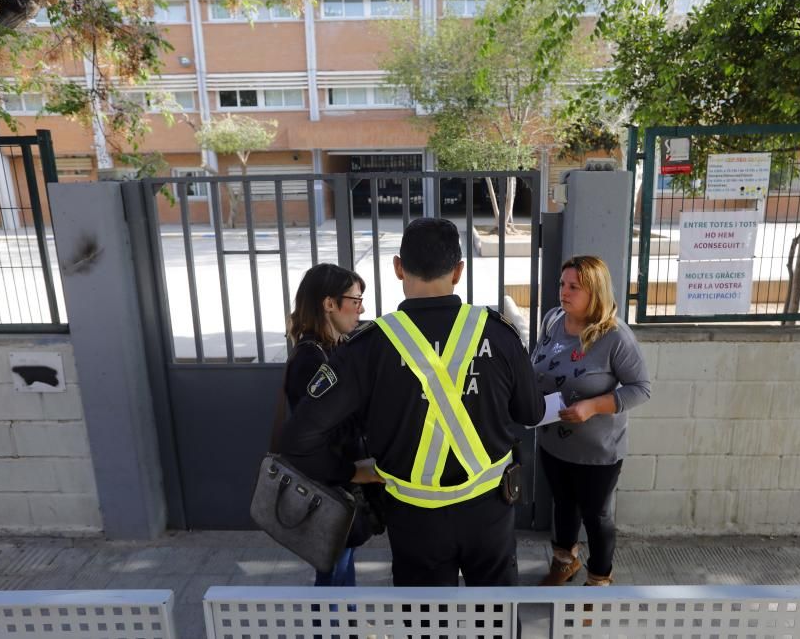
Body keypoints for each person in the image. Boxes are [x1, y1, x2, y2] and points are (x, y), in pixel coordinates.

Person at [279, 218, 545, 586]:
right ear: (458, 271)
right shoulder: (498, 333)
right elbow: (532, 412)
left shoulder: (367, 347)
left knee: (426, 621)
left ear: (398, 267)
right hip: (490, 511)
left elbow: (296, 441)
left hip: (414, 520)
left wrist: (351, 472)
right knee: (496, 614)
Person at [533, 255, 651, 586]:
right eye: (562, 284)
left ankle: (599, 579)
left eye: (574, 287)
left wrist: (593, 407)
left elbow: (641, 389)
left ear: (594, 292)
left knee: (596, 517)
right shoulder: (553, 320)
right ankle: (564, 561)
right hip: (553, 442)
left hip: (597, 452)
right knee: (563, 505)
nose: (564, 292)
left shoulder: (614, 337)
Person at [269, 262, 369, 587]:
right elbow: (315, 436)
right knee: (333, 576)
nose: (361, 308)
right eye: (354, 300)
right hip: (327, 485)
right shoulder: (311, 360)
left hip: (335, 483)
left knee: (339, 566)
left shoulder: (332, 349)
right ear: (329, 304)